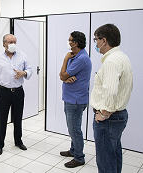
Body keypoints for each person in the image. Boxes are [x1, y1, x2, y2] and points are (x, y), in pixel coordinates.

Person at [91, 24, 133, 173]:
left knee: (105, 161)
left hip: (108, 118)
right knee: (113, 155)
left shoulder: (111, 61)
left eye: (96, 40)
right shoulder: (122, 57)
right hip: (117, 116)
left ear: (104, 40)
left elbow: (110, 90)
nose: (95, 44)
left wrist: (103, 113)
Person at [59, 31, 92, 168]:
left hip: (75, 101)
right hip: (72, 99)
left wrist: (65, 59)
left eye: (70, 40)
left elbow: (62, 75)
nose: (69, 42)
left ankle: (79, 158)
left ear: (76, 43)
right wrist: (66, 78)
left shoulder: (80, 59)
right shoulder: (77, 56)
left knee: (75, 130)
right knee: (73, 128)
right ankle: (74, 151)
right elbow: (63, 76)